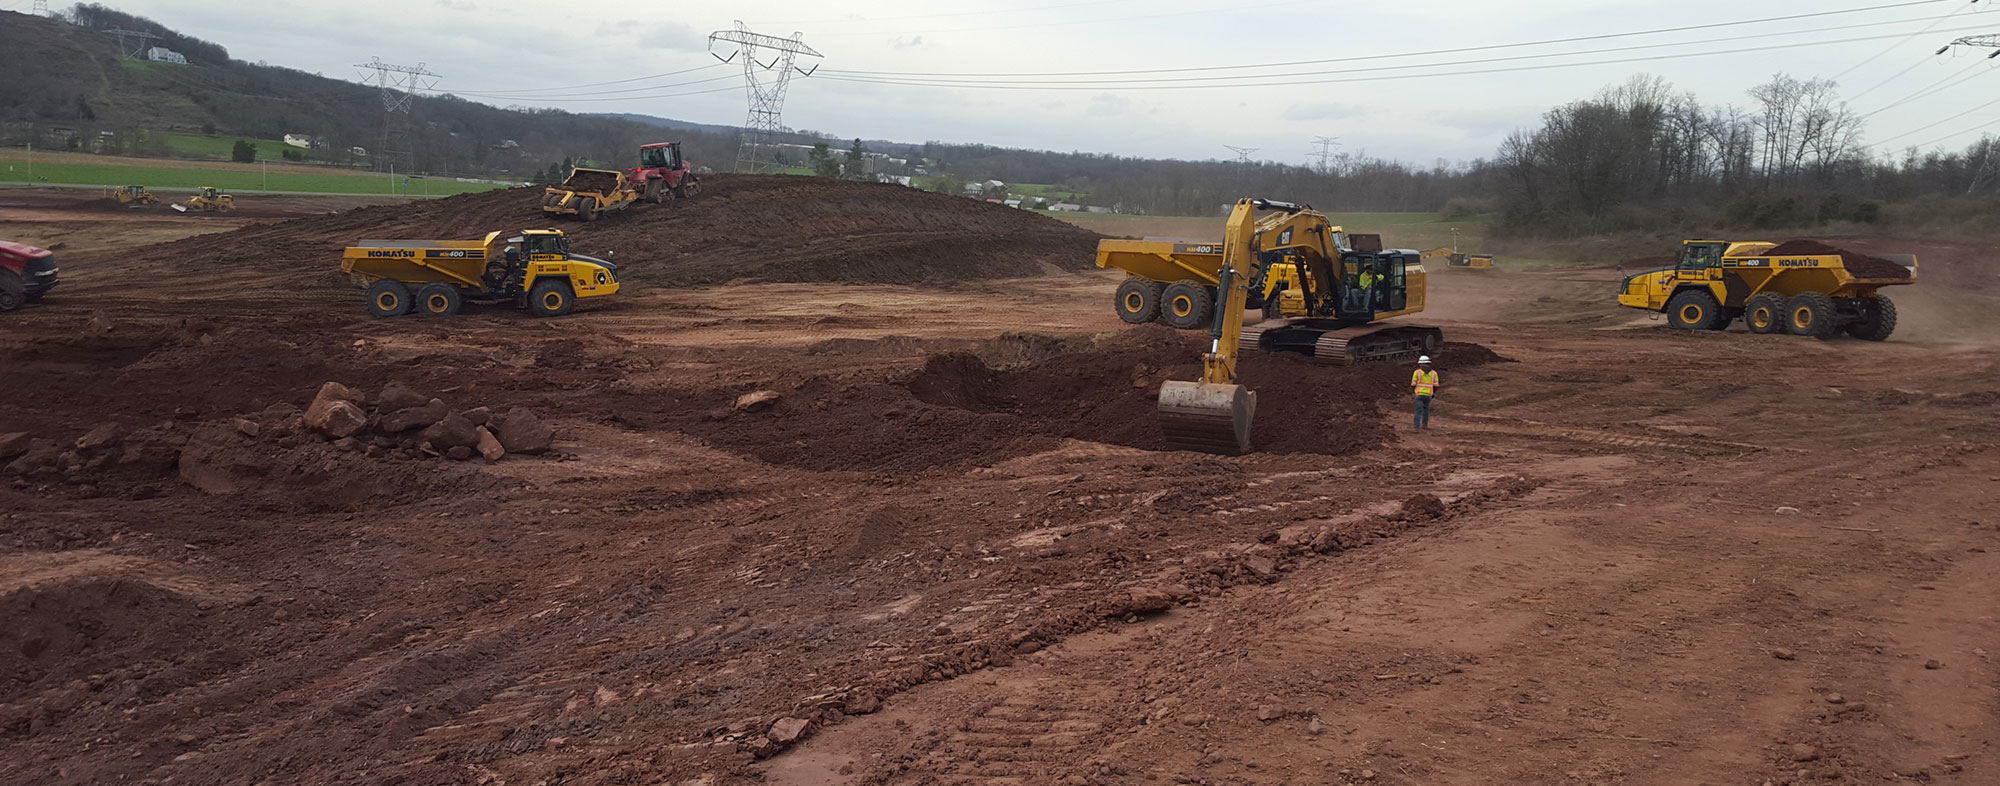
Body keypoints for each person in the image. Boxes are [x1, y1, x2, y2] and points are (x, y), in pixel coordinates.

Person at [1410, 355, 1439, 430]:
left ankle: (1416, 427)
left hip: (1419, 394)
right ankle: (1424, 425)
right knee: (1426, 410)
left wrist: (1413, 393)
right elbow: (1436, 385)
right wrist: (1433, 393)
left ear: (1421, 364)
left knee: (1418, 411)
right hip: (1428, 395)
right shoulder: (1434, 373)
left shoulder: (1417, 372)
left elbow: (1413, 384)